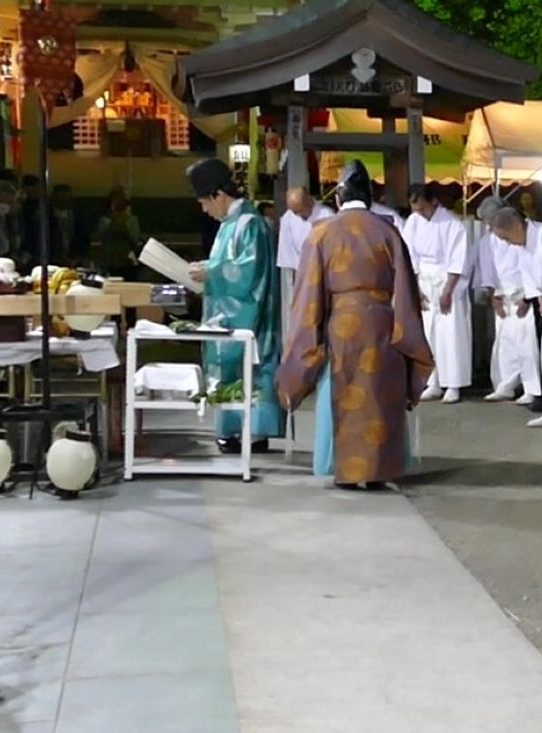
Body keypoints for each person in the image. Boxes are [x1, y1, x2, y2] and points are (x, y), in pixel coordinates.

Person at [279, 161, 433, 489]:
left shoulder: (321, 233)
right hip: (382, 323)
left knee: (342, 393)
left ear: (338, 198)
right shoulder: (388, 230)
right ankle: (380, 468)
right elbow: (406, 290)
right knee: (380, 397)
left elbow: (308, 294)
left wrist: (306, 342)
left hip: (341, 325)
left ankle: (342, 468)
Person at [185, 158, 283, 453]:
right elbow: (227, 263)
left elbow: (249, 272)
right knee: (231, 371)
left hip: (247, 316)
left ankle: (252, 432)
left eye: (205, 202)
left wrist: (212, 272)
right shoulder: (231, 224)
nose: (204, 210)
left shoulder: (250, 223)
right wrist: (206, 268)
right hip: (227, 313)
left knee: (248, 369)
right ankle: (231, 430)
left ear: (219, 195)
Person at [491, 206, 542, 425]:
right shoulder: (521, 244)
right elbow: (528, 275)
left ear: (517, 226)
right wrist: (539, 298)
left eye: (506, 236)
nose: (507, 242)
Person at [402, 182, 471, 404]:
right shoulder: (413, 222)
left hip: (446, 281)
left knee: (450, 334)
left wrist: (448, 291)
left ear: (434, 202)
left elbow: (457, 260)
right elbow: (409, 256)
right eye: (415, 209)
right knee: (428, 333)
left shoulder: (453, 224)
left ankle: (454, 384)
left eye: (422, 208)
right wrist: (416, 289)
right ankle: (433, 381)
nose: (419, 213)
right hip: (424, 280)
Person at [481, 199, 542, 407]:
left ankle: (531, 387)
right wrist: (493, 295)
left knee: (526, 344)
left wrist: (527, 297)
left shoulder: (523, 235)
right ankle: (505, 384)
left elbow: (525, 267)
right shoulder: (489, 240)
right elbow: (489, 268)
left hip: (522, 294)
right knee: (505, 343)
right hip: (502, 293)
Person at [92, 186, 143, 275]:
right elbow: (101, 238)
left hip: (125, 260)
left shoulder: (132, 220)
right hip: (108, 260)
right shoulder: (104, 220)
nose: (119, 203)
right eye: (116, 200)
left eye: (121, 200)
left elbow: (135, 239)